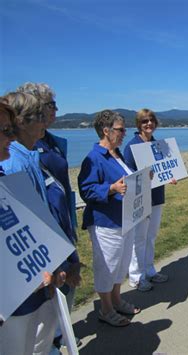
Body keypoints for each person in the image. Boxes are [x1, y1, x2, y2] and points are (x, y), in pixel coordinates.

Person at [0, 93, 67, 355]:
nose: (11, 136)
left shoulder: (6, 171)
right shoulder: (16, 163)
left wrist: (53, 261)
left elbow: (32, 224)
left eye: (11, 129)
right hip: (13, 302)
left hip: (34, 287)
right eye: (5, 130)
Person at [17, 82, 81, 350]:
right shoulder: (22, 152)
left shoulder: (51, 142)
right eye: (51, 105)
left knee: (65, 290)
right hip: (46, 233)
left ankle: (57, 334)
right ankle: (54, 339)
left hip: (63, 223)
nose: (56, 110)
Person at [78, 110, 140, 327]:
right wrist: (111, 189)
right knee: (107, 266)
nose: (124, 133)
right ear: (106, 131)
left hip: (125, 219)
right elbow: (86, 190)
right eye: (120, 129)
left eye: (124, 129)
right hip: (106, 222)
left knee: (121, 264)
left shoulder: (117, 154)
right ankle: (105, 309)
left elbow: (128, 178)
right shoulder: (93, 158)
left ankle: (116, 299)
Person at [123, 109, 173, 292]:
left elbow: (165, 167)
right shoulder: (131, 146)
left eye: (151, 120)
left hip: (157, 196)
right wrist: (145, 177)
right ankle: (136, 277)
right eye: (144, 121)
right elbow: (127, 174)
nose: (149, 124)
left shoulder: (159, 145)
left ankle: (150, 270)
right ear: (139, 124)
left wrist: (171, 176)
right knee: (139, 238)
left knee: (151, 236)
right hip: (140, 198)